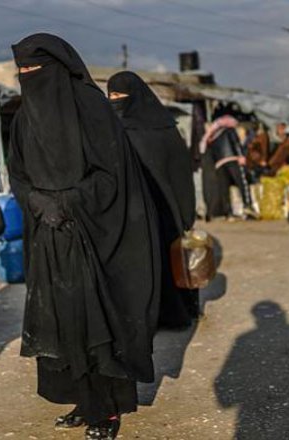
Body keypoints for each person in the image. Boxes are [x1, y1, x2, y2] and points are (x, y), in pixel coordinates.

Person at [8, 33, 160, 440]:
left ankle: (107, 409)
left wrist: (70, 202)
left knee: (98, 324)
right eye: (21, 70)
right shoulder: (24, 118)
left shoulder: (92, 108)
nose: (27, 76)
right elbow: (17, 173)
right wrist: (37, 202)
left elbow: (112, 175)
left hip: (94, 234)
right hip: (47, 236)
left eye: (34, 69)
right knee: (62, 323)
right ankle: (82, 399)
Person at [107, 71, 198, 329]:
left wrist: (185, 212)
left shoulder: (164, 129)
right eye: (111, 96)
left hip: (164, 209)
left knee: (169, 262)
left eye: (120, 95)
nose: (115, 101)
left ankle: (176, 314)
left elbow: (180, 173)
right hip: (132, 212)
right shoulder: (112, 130)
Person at [199, 115, 257, 220]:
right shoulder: (230, 131)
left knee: (224, 188)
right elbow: (236, 144)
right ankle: (248, 206)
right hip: (232, 158)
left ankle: (228, 212)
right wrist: (241, 157)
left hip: (220, 164)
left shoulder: (213, 136)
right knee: (242, 182)